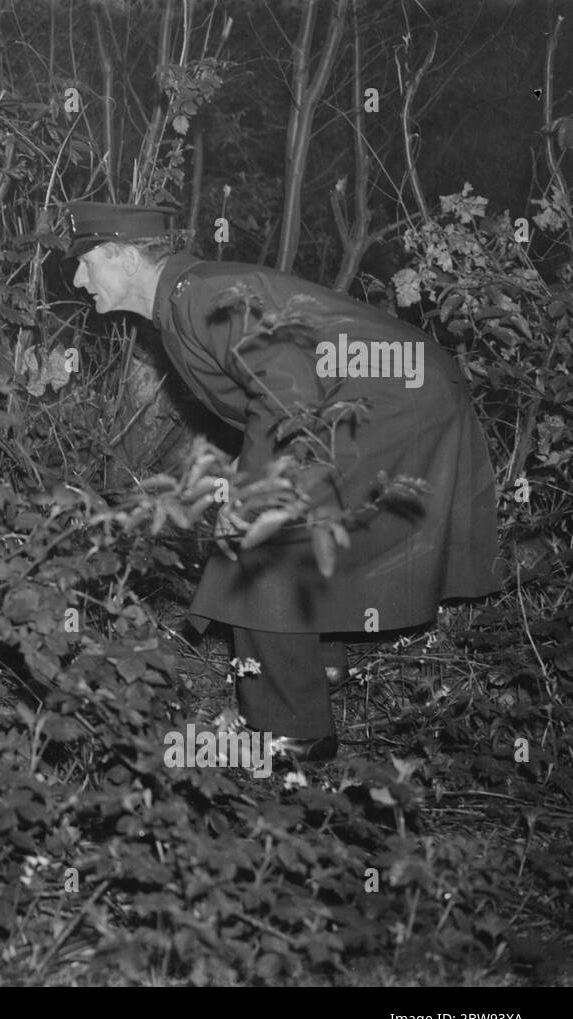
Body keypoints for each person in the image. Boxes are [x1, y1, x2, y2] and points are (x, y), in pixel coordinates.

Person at [66, 201, 503, 761]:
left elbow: (285, 395)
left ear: (124, 257)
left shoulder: (199, 295)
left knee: (261, 546)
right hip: (386, 396)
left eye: (87, 262)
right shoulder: (183, 299)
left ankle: (292, 730)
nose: (79, 280)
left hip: (390, 401)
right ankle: (318, 666)